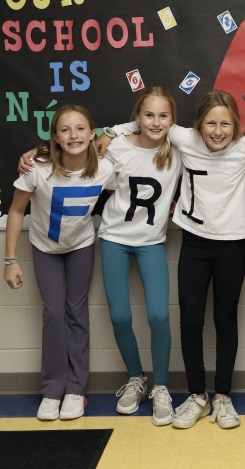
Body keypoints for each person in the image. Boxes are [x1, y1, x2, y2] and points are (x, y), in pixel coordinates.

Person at [100, 91, 245, 430]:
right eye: (210, 123)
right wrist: (109, 132)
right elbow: (149, 120)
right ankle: (197, 395)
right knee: (191, 322)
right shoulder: (183, 137)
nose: (218, 131)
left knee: (226, 322)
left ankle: (222, 397)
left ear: (236, 126)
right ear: (198, 125)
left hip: (231, 246)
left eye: (226, 123)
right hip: (194, 245)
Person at [3, 105, 115, 421]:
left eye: (81, 128)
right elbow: (15, 212)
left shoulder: (106, 167)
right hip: (45, 249)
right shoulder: (37, 168)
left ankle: (76, 391)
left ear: (93, 134)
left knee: (77, 312)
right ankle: (52, 391)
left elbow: (143, 131)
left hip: (81, 246)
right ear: (54, 137)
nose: (73, 135)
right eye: (65, 130)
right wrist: (9, 260)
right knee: (53, 313)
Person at [97, 87, 183, 426]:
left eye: (163, 115)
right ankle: (136, 378)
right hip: (114, 238)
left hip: (151, 241)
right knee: (119, 316)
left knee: (160, 316)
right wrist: (110, 131)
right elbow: (77, 160)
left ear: (172, 120)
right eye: (149, 115)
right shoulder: (116, 146)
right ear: (138, 116)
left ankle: (161, 386)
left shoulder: (178, 150)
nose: (156, 122)